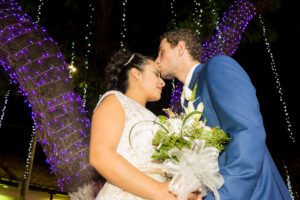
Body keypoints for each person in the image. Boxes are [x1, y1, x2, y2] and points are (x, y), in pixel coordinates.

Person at [155, 28, 292, 200]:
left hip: (252, 193)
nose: (156, 61)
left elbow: (247, 131)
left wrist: (224, 195)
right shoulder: (183, 104)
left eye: (162, 53)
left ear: (181, 48)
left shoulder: (217, 67)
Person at [89, 50, 202, 200]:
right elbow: (101, 156)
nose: (162, 82)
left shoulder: (157, 119)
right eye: (156, 74)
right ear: (136, 74)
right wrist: (157, 190)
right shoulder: (114, 100)